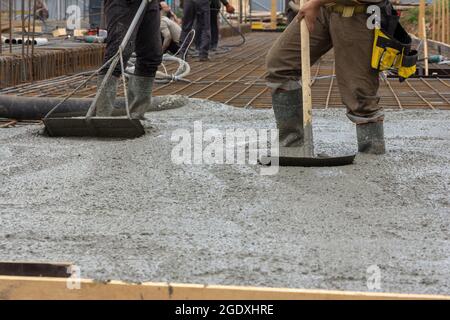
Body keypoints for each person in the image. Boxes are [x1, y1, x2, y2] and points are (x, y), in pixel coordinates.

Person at [266, 0, 393, 154]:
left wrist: (315, 3)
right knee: (281, 63)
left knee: (360, 94)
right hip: (323, 9)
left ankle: (371, 159)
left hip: (358, 11)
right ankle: (292, 148)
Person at [96, 0, 162, 120]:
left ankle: (136, 115)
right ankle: (102, 116)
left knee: (151, 56)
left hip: (149, 3)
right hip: (123, 3)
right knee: (117, 55)